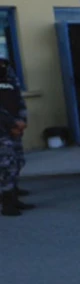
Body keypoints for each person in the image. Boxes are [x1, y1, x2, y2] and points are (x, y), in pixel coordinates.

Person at [0, 54, 31, 216]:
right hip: (3, 130)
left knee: (17, 161)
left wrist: (22, 121)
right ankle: (7, 204)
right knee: (5, 166)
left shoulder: (10, 80)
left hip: (15, 128)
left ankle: (14, 195)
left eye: (3, 63)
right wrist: (12, 123)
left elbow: (19, 101)